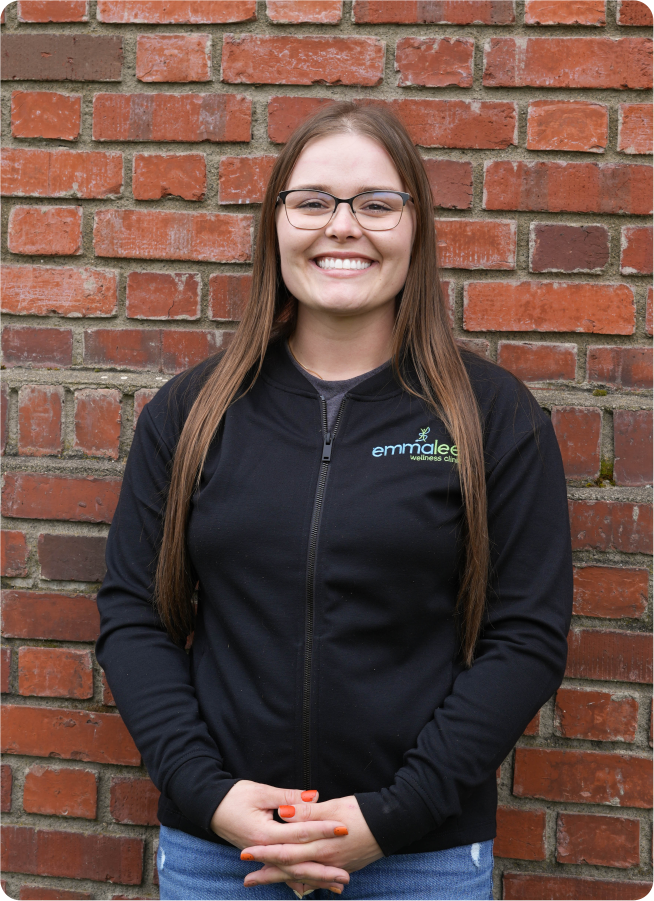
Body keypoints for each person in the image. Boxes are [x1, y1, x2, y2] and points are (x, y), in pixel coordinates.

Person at [95, 102, 573, 900]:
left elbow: (525, 637)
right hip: (221, 856)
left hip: (419, 860)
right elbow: (133, 615)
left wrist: (390, 816)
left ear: (416, 227)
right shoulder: (192, 411)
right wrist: (212, 796)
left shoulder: (494, 415)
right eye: (313, 201)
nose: (342, 226)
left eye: (376, 203)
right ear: (275, 224)